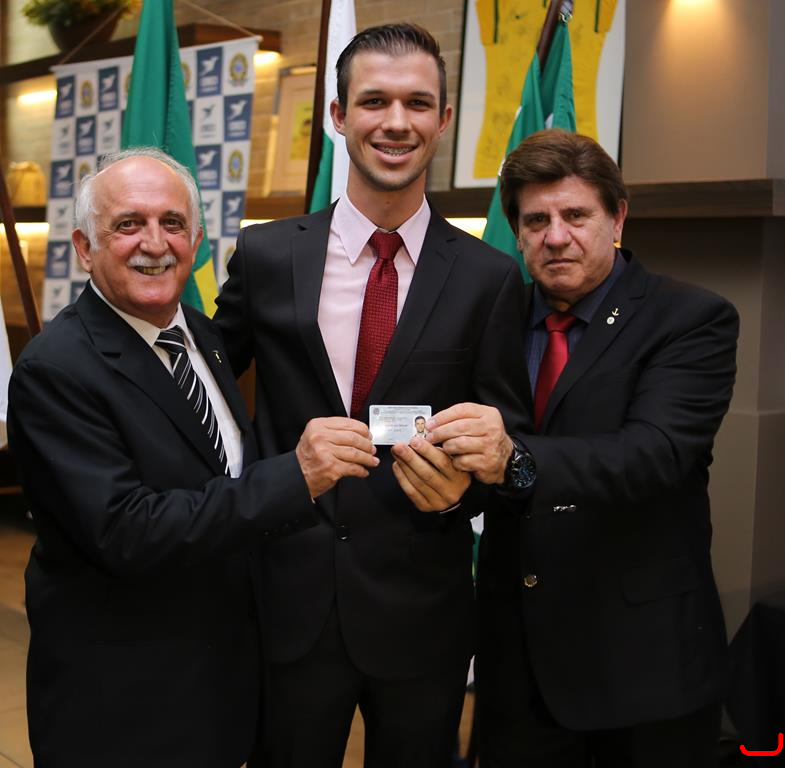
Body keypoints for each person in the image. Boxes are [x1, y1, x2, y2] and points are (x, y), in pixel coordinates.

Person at [214, 23, 530, 768]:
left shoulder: (488, 277)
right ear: (338, 114)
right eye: (374, 101)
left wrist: (461, 493)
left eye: (417, 103)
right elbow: (205, 385)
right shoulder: (267, 254)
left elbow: (506, 435)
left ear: (442, 120)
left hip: (422, 610)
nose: (396, 122)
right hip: (288, 600)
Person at [7, 147, 377, 768]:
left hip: (218, 685)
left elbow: (216, 473)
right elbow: (127, 531)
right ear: (84, 248)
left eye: (173, 223)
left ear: (197, 242)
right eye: (128, 224)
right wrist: (294, 476)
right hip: (124, 705)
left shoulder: (202, 335)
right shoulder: (56, 370)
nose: (155, 243)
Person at [460, 128, 739, 767]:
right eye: (536, 221)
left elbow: (656, 454)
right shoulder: (492, 321)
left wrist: (514, 461)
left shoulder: (691, 318)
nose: (556, 236)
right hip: (517, 666)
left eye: (576, 215)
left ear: (617, 218)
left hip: (640, 665)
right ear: (516, 232)